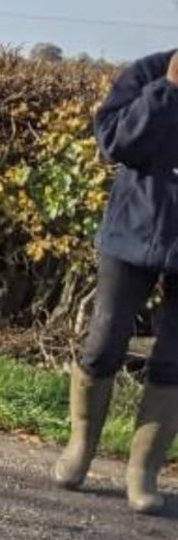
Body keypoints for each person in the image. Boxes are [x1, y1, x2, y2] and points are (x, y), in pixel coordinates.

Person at [55, 48, 178, 513]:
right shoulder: (147, 72)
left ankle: (142, 472)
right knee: (103, 341)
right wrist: (168, 90)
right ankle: (80, 448)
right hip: (131, 233)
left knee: (174, 359)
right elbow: (114, 144)